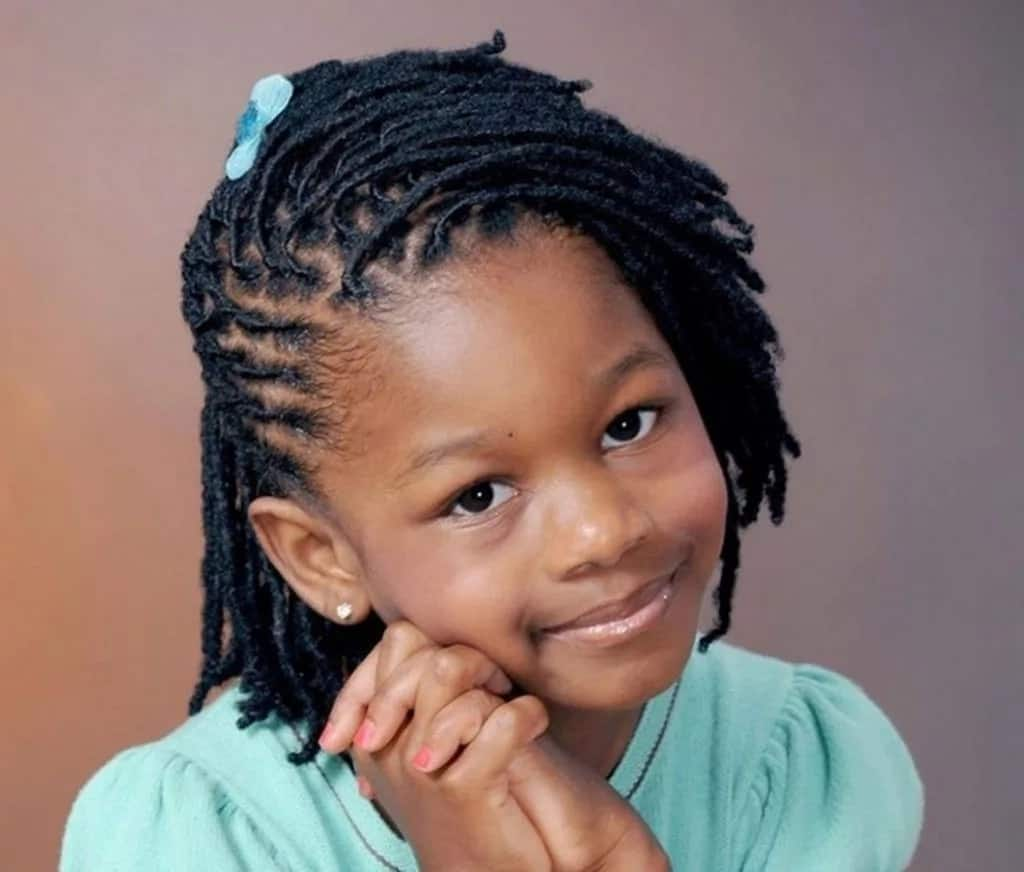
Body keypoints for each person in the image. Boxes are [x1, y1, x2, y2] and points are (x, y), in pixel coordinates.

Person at [59, 29, 924, 871]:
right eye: (478, 495)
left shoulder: (802, 770)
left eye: (629, 424)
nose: (604, 531)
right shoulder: (205, 839)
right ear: (322, 559)